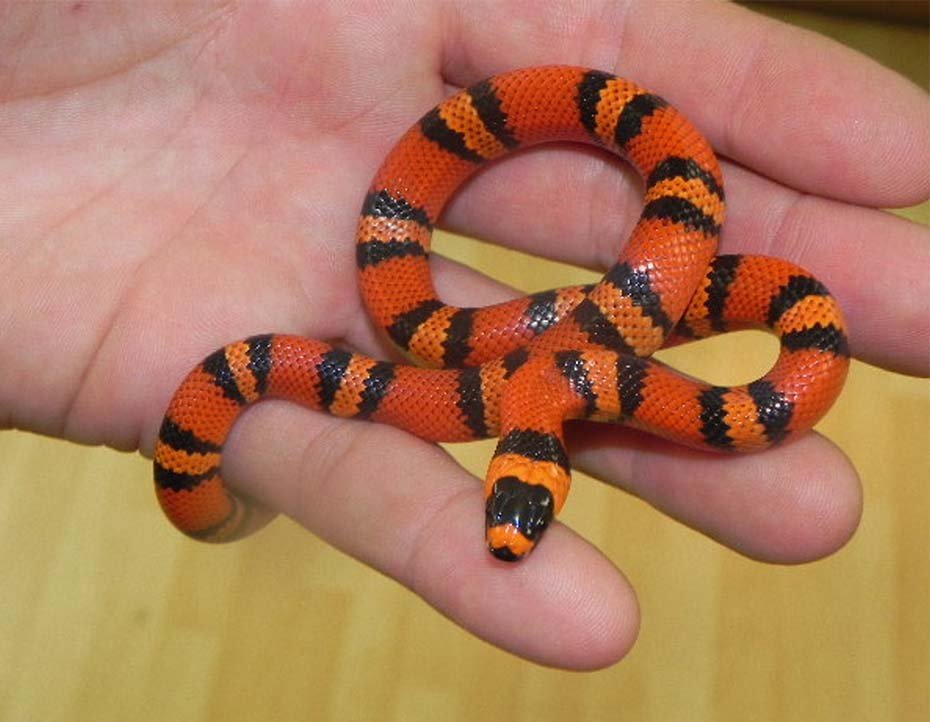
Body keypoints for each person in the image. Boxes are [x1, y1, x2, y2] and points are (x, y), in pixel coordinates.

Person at [0, 1, 926, 669]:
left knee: (446, 330)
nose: (513, 524)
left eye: (507, 507)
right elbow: (566, 372)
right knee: (438, 327)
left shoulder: (535, 391)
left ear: (509, 469)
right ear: (539, 471)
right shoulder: (540, 390)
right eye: (523, 510)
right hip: (541, 345)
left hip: (544, 348)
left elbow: (557, 375)